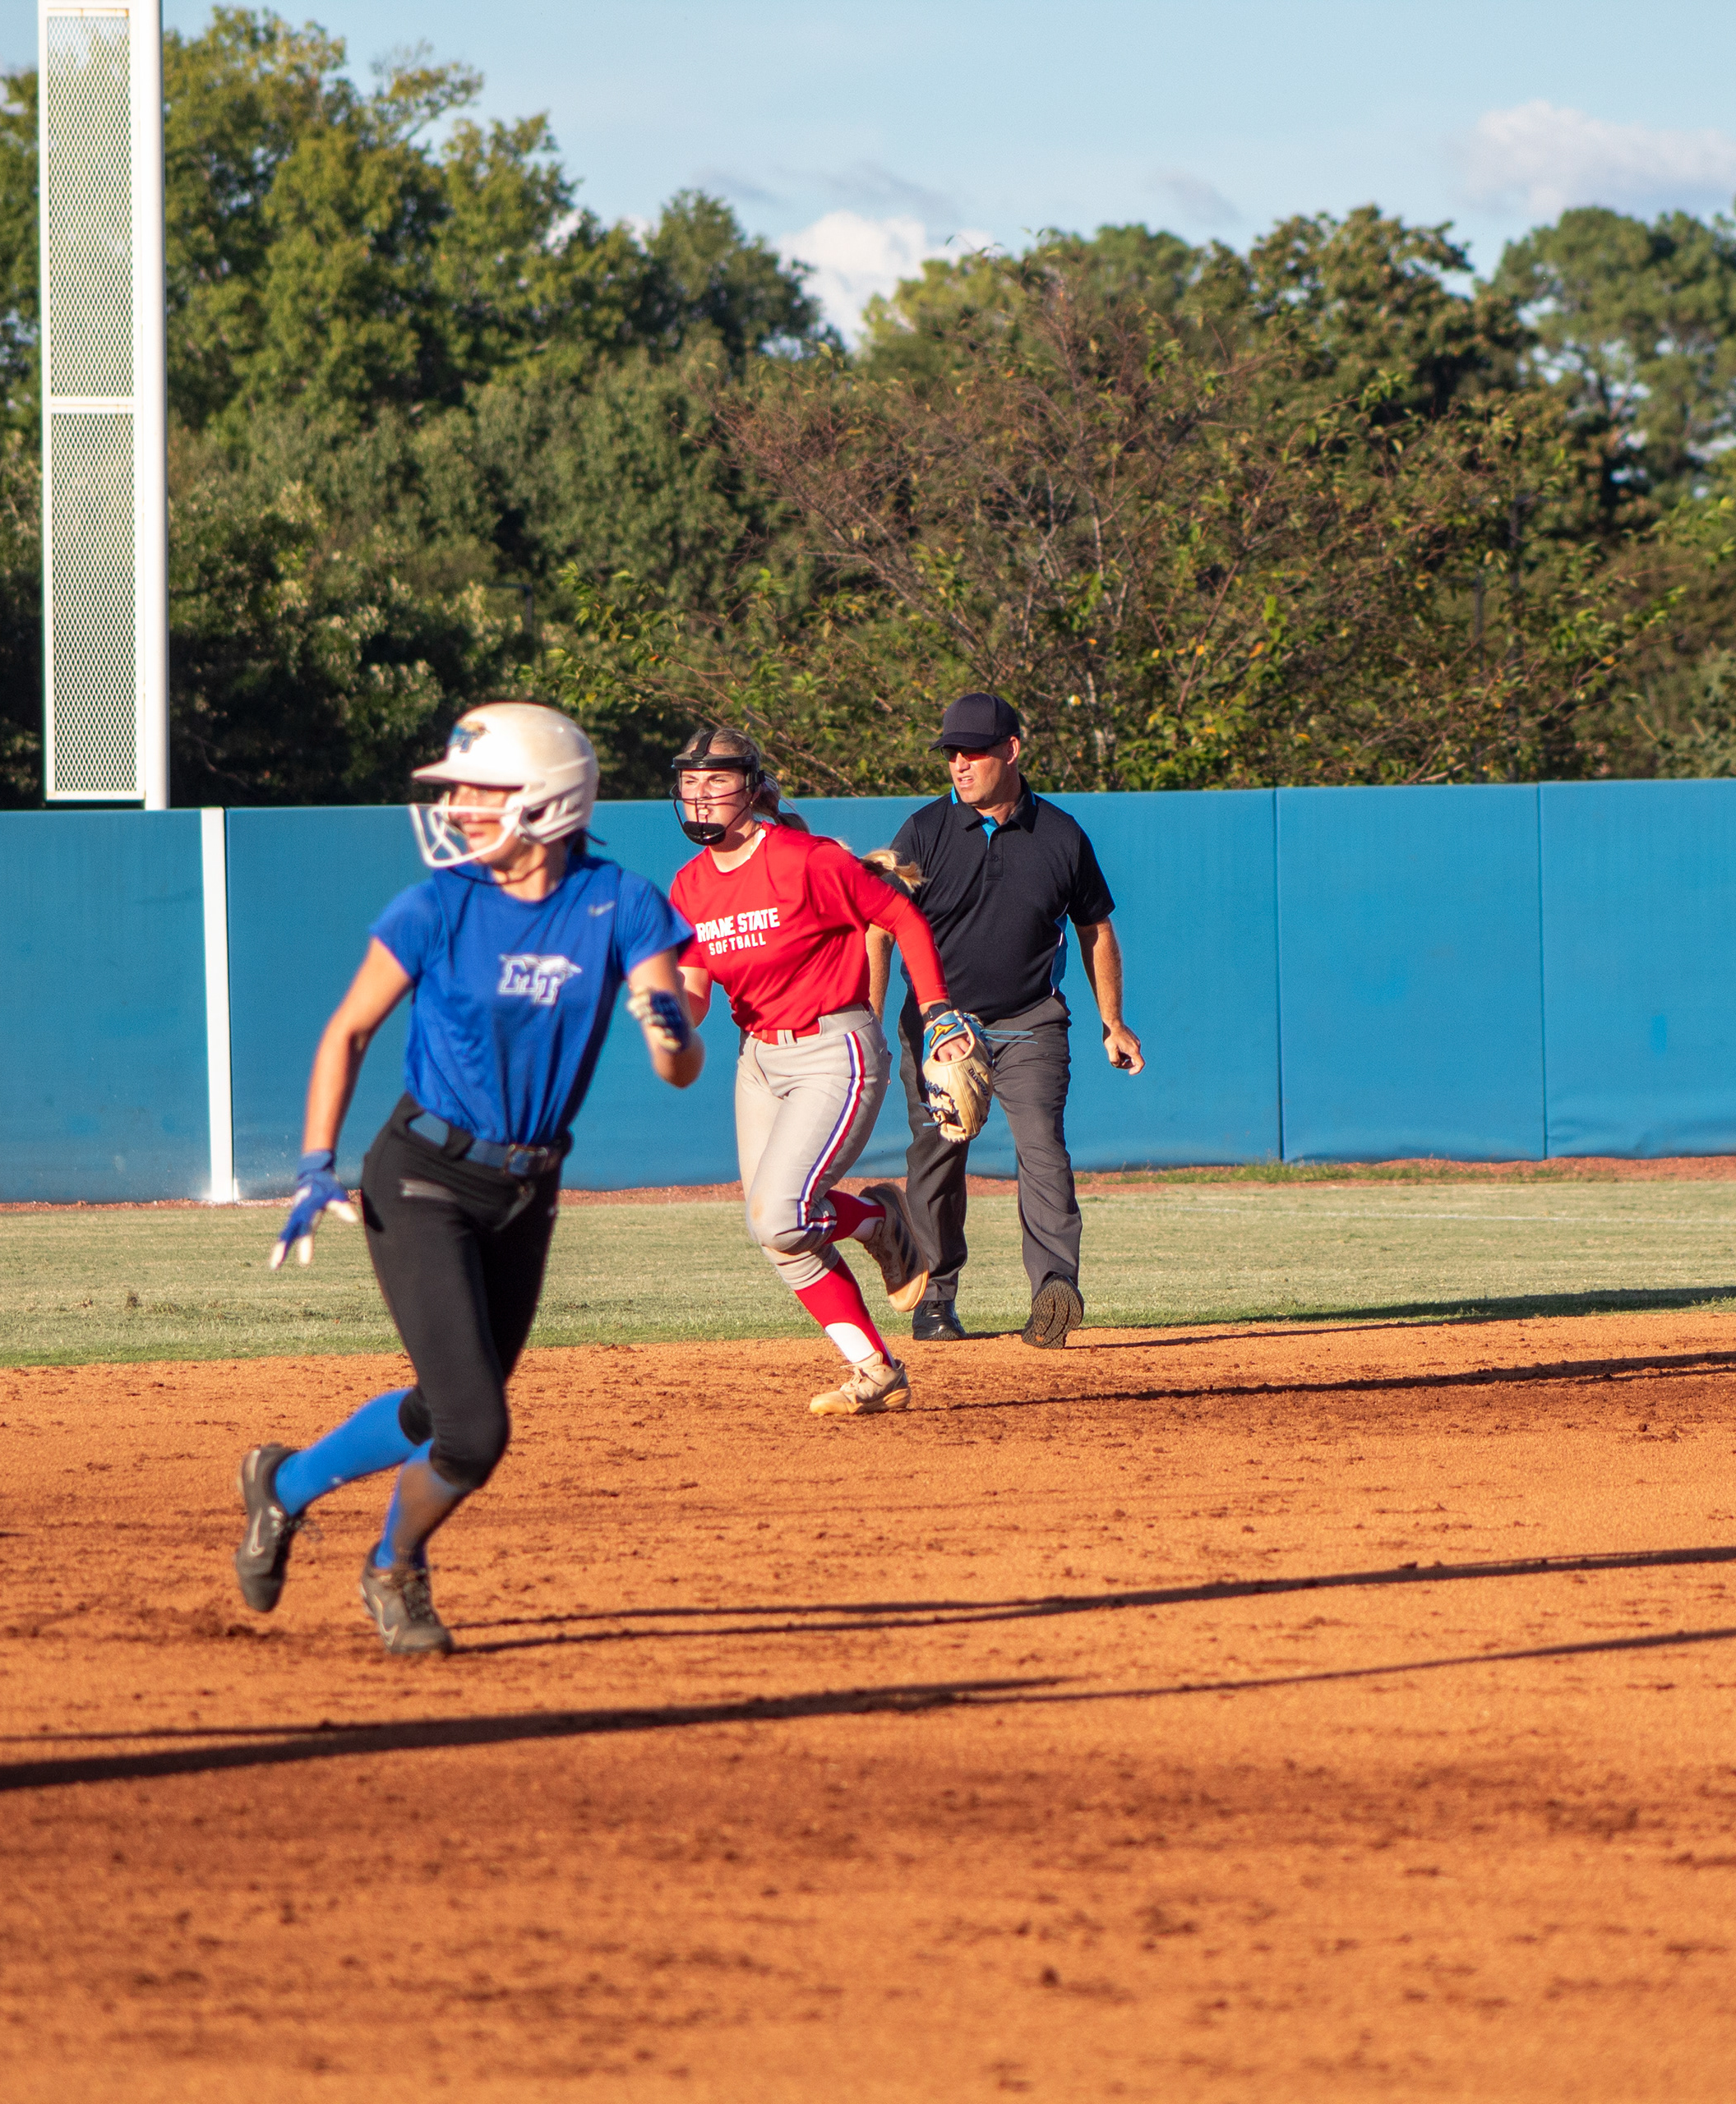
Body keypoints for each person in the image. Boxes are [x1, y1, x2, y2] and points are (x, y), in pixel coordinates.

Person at [229, 702, 702, 1659]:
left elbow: (678, 1067)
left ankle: (284, 1485)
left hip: (526, 1190)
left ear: (549, 799)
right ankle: (393, 1568)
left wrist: (672, 1030)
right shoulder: (436, 904)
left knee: (447, 1403)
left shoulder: (620, 901)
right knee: (474, 1431)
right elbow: (348, 1031)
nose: (458, 810)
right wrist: (316, 1163)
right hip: (422, 1174)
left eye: (479, 792)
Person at [666, 726, 981, 1415]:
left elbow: (901, 916)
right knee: (774, 1230)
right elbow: (693, 992)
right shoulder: (689, 885)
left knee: (781, 1215)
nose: (700, 796)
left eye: (716, 781)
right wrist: (663, 1011)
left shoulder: (803, 859)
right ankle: (876, 1368)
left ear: (751, 787)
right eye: (690, 783)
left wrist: (937, 1010)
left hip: (833, 1049)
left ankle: (878, 1220)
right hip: (758, 1058)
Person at [881, 691, 1142, 1350]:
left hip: (1031, 1020)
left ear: (1011, 750)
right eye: (951, 753)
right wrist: (865, 1016)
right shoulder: (924, 831)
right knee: (936, 1155)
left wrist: (1113, 1021)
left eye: (973, 751)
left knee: (1042, 1149)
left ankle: (1055, 1288)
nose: (959, 764)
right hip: (939, 1031)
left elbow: (1095, 929)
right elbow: (878, 928)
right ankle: (935, 1295)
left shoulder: (1060, 835)